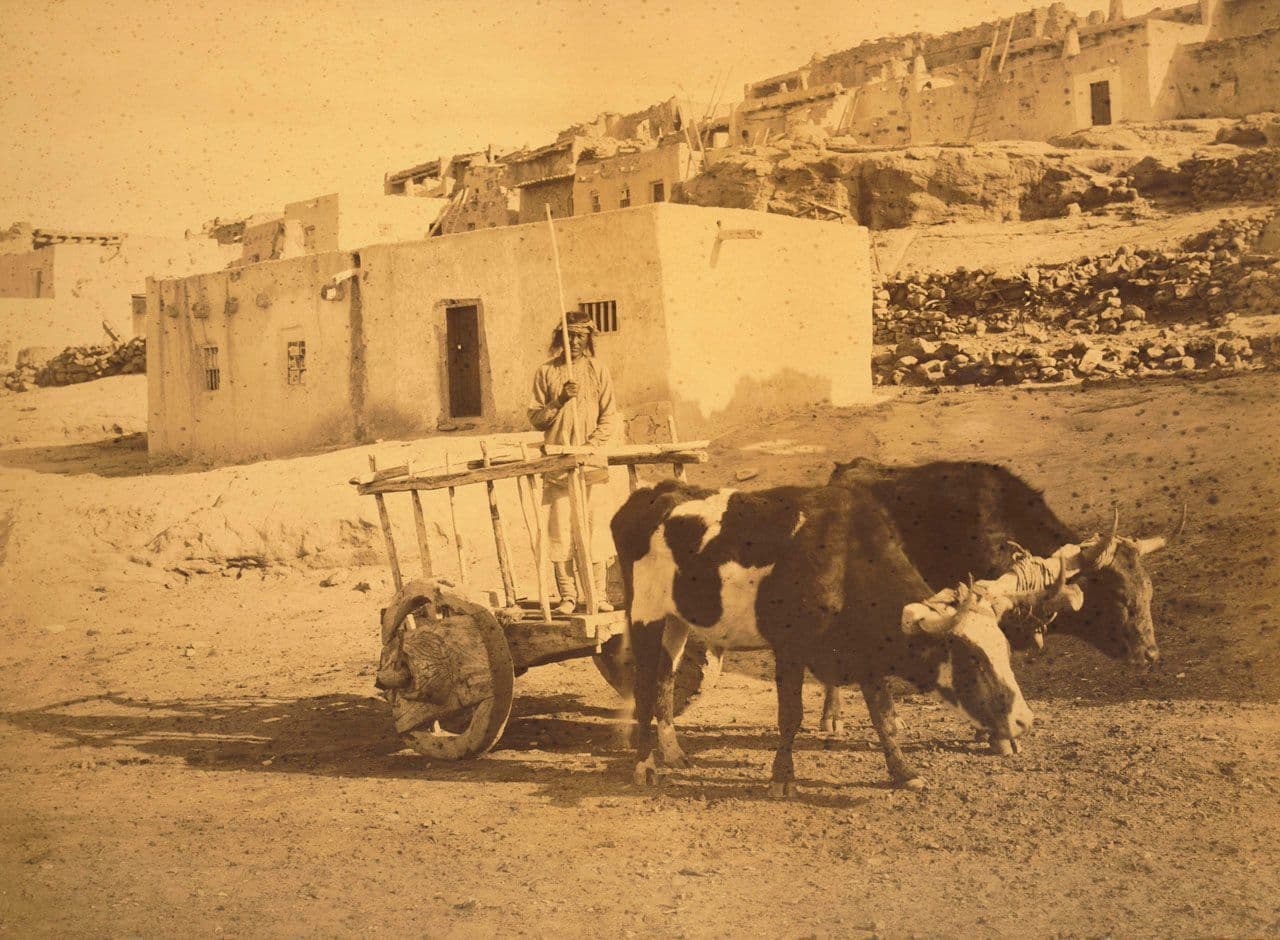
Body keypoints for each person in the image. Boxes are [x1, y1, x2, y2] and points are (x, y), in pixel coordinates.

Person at [528, 311, 622, 614]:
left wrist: (589, 448)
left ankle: (597, 594)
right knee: (561, 533)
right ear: (560, 338)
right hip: (558, 467)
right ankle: (568, 596)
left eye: (581, 336)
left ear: (589, 338)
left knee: (596, 531)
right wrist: (559, 401)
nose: (575, 341)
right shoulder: (545, 372)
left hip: (592, 466)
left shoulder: (598, 371)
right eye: (569, 335)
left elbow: (609, 417)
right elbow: (535, 418)